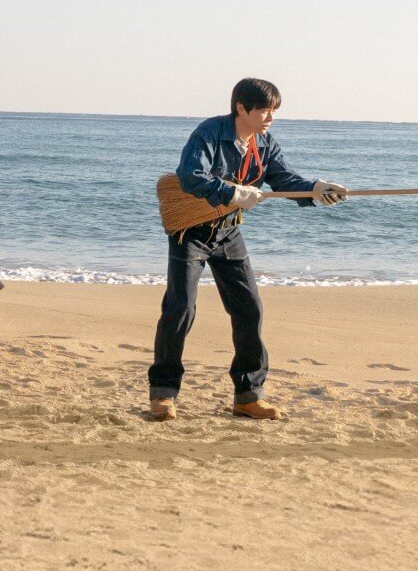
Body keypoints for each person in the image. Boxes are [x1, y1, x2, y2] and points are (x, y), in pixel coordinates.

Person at [147, 78, 349, 421]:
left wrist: (316, 190)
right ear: (242, 108)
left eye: (273, 111)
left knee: (249, 310)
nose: (270, 117)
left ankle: (248, 395)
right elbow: (190, 176)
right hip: (190, 233)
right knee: (180, 309)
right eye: (264, 110)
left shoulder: (264, 142)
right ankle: (164, 394)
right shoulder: (209, 133)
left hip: (228, 233)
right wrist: (233, 193)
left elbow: (283, 179)